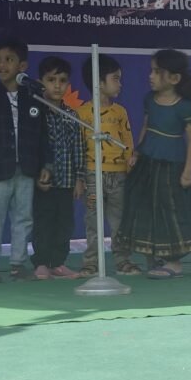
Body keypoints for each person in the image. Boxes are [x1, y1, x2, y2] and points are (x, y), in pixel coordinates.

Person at [114, 49, 191, 279]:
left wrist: (188, 171)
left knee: (171, 211)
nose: (150, 76)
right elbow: (146, 127)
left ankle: (174, 262)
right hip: (148, 163)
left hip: (172, 166)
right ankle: (155, 257)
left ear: (174, 78)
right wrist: (137, 152)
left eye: (157, 72)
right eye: (151, 71)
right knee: (148, 208)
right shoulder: (149, 100)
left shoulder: (184, 106)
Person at [0, 38, 44, 282]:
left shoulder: (34, 97)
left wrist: (45, 165)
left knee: (23, 217)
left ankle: (18, 264)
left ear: (22, 66)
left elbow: (42, 135)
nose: (2, 65)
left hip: (26, 168)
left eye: (9, 60)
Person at [77, 53, 139, 277]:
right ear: (99, 83)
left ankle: (123, 260)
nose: (120, 84)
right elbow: (78, 147)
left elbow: (127, 141)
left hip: (118, 175)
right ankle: (91, 262)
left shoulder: (120, 112)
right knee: (93, 220)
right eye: (115, 78)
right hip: (92, 175)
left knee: (119, 221)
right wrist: (79, 178)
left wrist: (131, 163)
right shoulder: (82, 113)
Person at [32, 56, 85, 280]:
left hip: (66, 181)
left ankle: (58, 263)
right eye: (51, 80)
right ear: (40, 82)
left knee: (65, 223)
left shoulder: (72, 116)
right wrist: (37, 174)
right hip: (44, 183)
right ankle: (41, 262)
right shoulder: (36, 114)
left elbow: (78, 148)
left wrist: (79, 178)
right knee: (43, 222)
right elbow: (34, 148)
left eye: (62, 81)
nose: (57, 86)